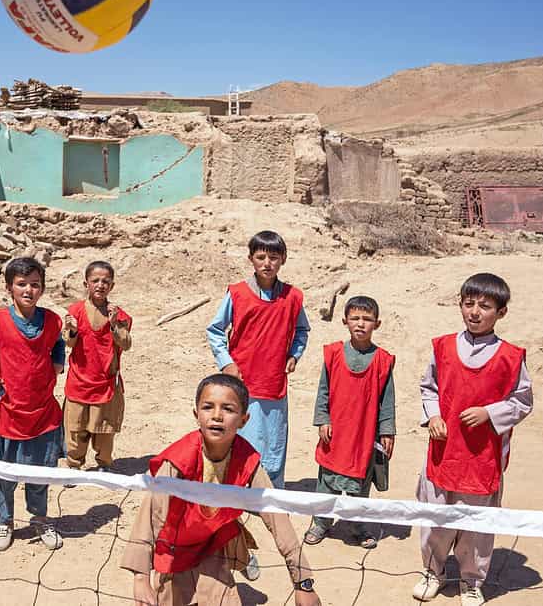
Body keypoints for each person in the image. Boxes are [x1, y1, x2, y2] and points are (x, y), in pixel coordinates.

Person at [121, 374, 321, 606]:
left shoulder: (248, 460)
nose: (217, 415)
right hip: (174, 546)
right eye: (208, 407)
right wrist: (141, 577)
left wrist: (303, 582)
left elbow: (276, 516)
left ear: (243, 420)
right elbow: (151, 517)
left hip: (213, 543)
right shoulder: (178, 461)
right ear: (196, 415)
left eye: (227, 409)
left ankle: (241, 558)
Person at [412, 273, 534, 606]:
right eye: (469, 304)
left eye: (485, 306)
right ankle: (432, 572)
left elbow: (522, 401)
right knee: (436, 517)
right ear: (460, 305)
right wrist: (433, 415)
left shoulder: (510, 357)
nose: (475, 312)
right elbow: (429, 387)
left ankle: (471, 580)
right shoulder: (443, 347)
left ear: (501, 312)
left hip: (481, 457)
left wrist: (491, 414)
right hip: (443, 452)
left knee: (476, 524)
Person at [0, 256, 66, 552]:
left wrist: (58, 361)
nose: (28, 290)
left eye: (35, 285)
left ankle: (40, 518)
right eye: (22, 284)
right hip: (9, 410)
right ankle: (4, 521)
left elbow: (58, 342)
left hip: (43, 411)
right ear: (10, 287)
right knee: (5, 472)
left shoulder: (51, 321)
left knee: (41, 470)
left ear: (42, 289)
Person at [206, 231, 309, 489]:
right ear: (250, 259)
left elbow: (302, 330)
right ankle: (236, 489)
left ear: (283, 259)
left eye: (273, 257)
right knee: (237, 435)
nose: (267, 263)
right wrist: (226, 363)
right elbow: (215, 330)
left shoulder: (293, 297)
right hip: (240, 382)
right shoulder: (238, 293)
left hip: (273, 383)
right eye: (260, 257)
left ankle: (270, 494)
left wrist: (294, 354)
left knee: (273, 441)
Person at [306, 296, 396, 549]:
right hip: (335, 433)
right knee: (327, 482)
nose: (360, 324)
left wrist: (387, 431)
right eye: (355, 318)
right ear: (345, 321)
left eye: (367, 319)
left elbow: (387, 401)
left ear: (376, 324)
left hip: (364, 435)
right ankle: (320, 523)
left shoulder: (383, 360)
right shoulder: (333, 354)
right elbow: (323, 391)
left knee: (360, 485)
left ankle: (358, 525)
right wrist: (323, 419)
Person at [62, 260, 133, 474]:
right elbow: (68, 342)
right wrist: (72, 330)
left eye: (106, 281)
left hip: (106, 382)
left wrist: (113, 325)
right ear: (86, 284)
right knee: (76, 428)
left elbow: (126, 344)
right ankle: (74, 466)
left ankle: (104, 464)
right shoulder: (75, 311)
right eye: (95, 281)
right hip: (79, 381)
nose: (100, 285)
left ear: (112, 286)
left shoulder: (119, 315)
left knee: (104, 430)